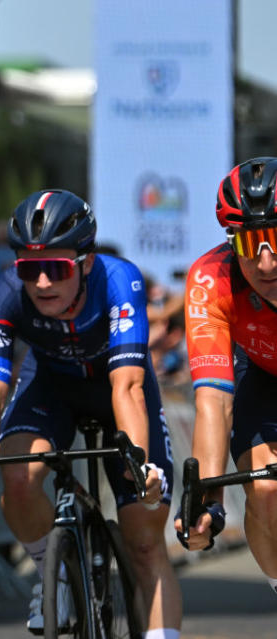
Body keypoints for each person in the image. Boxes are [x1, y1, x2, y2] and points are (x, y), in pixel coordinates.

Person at [0, 189, 181, 638]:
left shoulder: (119, 280)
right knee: (16, 477)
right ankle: (51, 576)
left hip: (117, 387)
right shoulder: (4, 293)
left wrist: (140, 462)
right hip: (51, 386)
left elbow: (128, 386)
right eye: (29, 269)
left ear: (86, 263)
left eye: (56, 268)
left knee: (145, 541)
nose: (41, 284)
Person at [174, 157, 277, 597]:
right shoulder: (210, 279)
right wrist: (207, 503)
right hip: (262, 377)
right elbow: (213, 402)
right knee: (266, 487)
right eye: (251, 243)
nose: (266, 262)